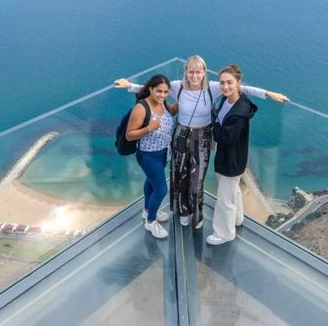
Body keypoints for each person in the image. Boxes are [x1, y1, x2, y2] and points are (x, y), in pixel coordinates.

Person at [115, 55, 288, 230]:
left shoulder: (213, 88)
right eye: (191, 72)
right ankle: (182, 211)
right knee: (179, 175)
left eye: (198, 72)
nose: (195, 76)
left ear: (204, 72)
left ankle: (196, 215)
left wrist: (268, 93)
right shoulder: (178, 87)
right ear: (186, 72)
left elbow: (242, 88)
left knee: (197, 179)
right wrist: (129, 86)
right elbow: (152, 88)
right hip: (181, 134)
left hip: (203, 136)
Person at [207, 64, 258, 245]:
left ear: (238, 83)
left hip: (231, 160)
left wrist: (213, 122)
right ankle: (237, 219)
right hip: (230, 158)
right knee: (232, 191)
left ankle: (224, 233)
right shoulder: (228, 100)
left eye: (229, 82)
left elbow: (224, 137)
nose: (225, 86)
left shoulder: (239, 112)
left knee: (225, 199)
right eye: (222, 83)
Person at [125, 74, 177, 239]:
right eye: (158, 91)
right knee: (161, 189)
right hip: (148, 155)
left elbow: (172, 111)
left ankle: (147, 210)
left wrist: (189, 101)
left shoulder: (163, 104)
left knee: (151, 182)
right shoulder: (141, 108)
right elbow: (129, 135)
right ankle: (151, 222)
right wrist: (149, 128)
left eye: (165, 92)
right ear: (150, 89)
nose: (162, 95)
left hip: (163, 152)